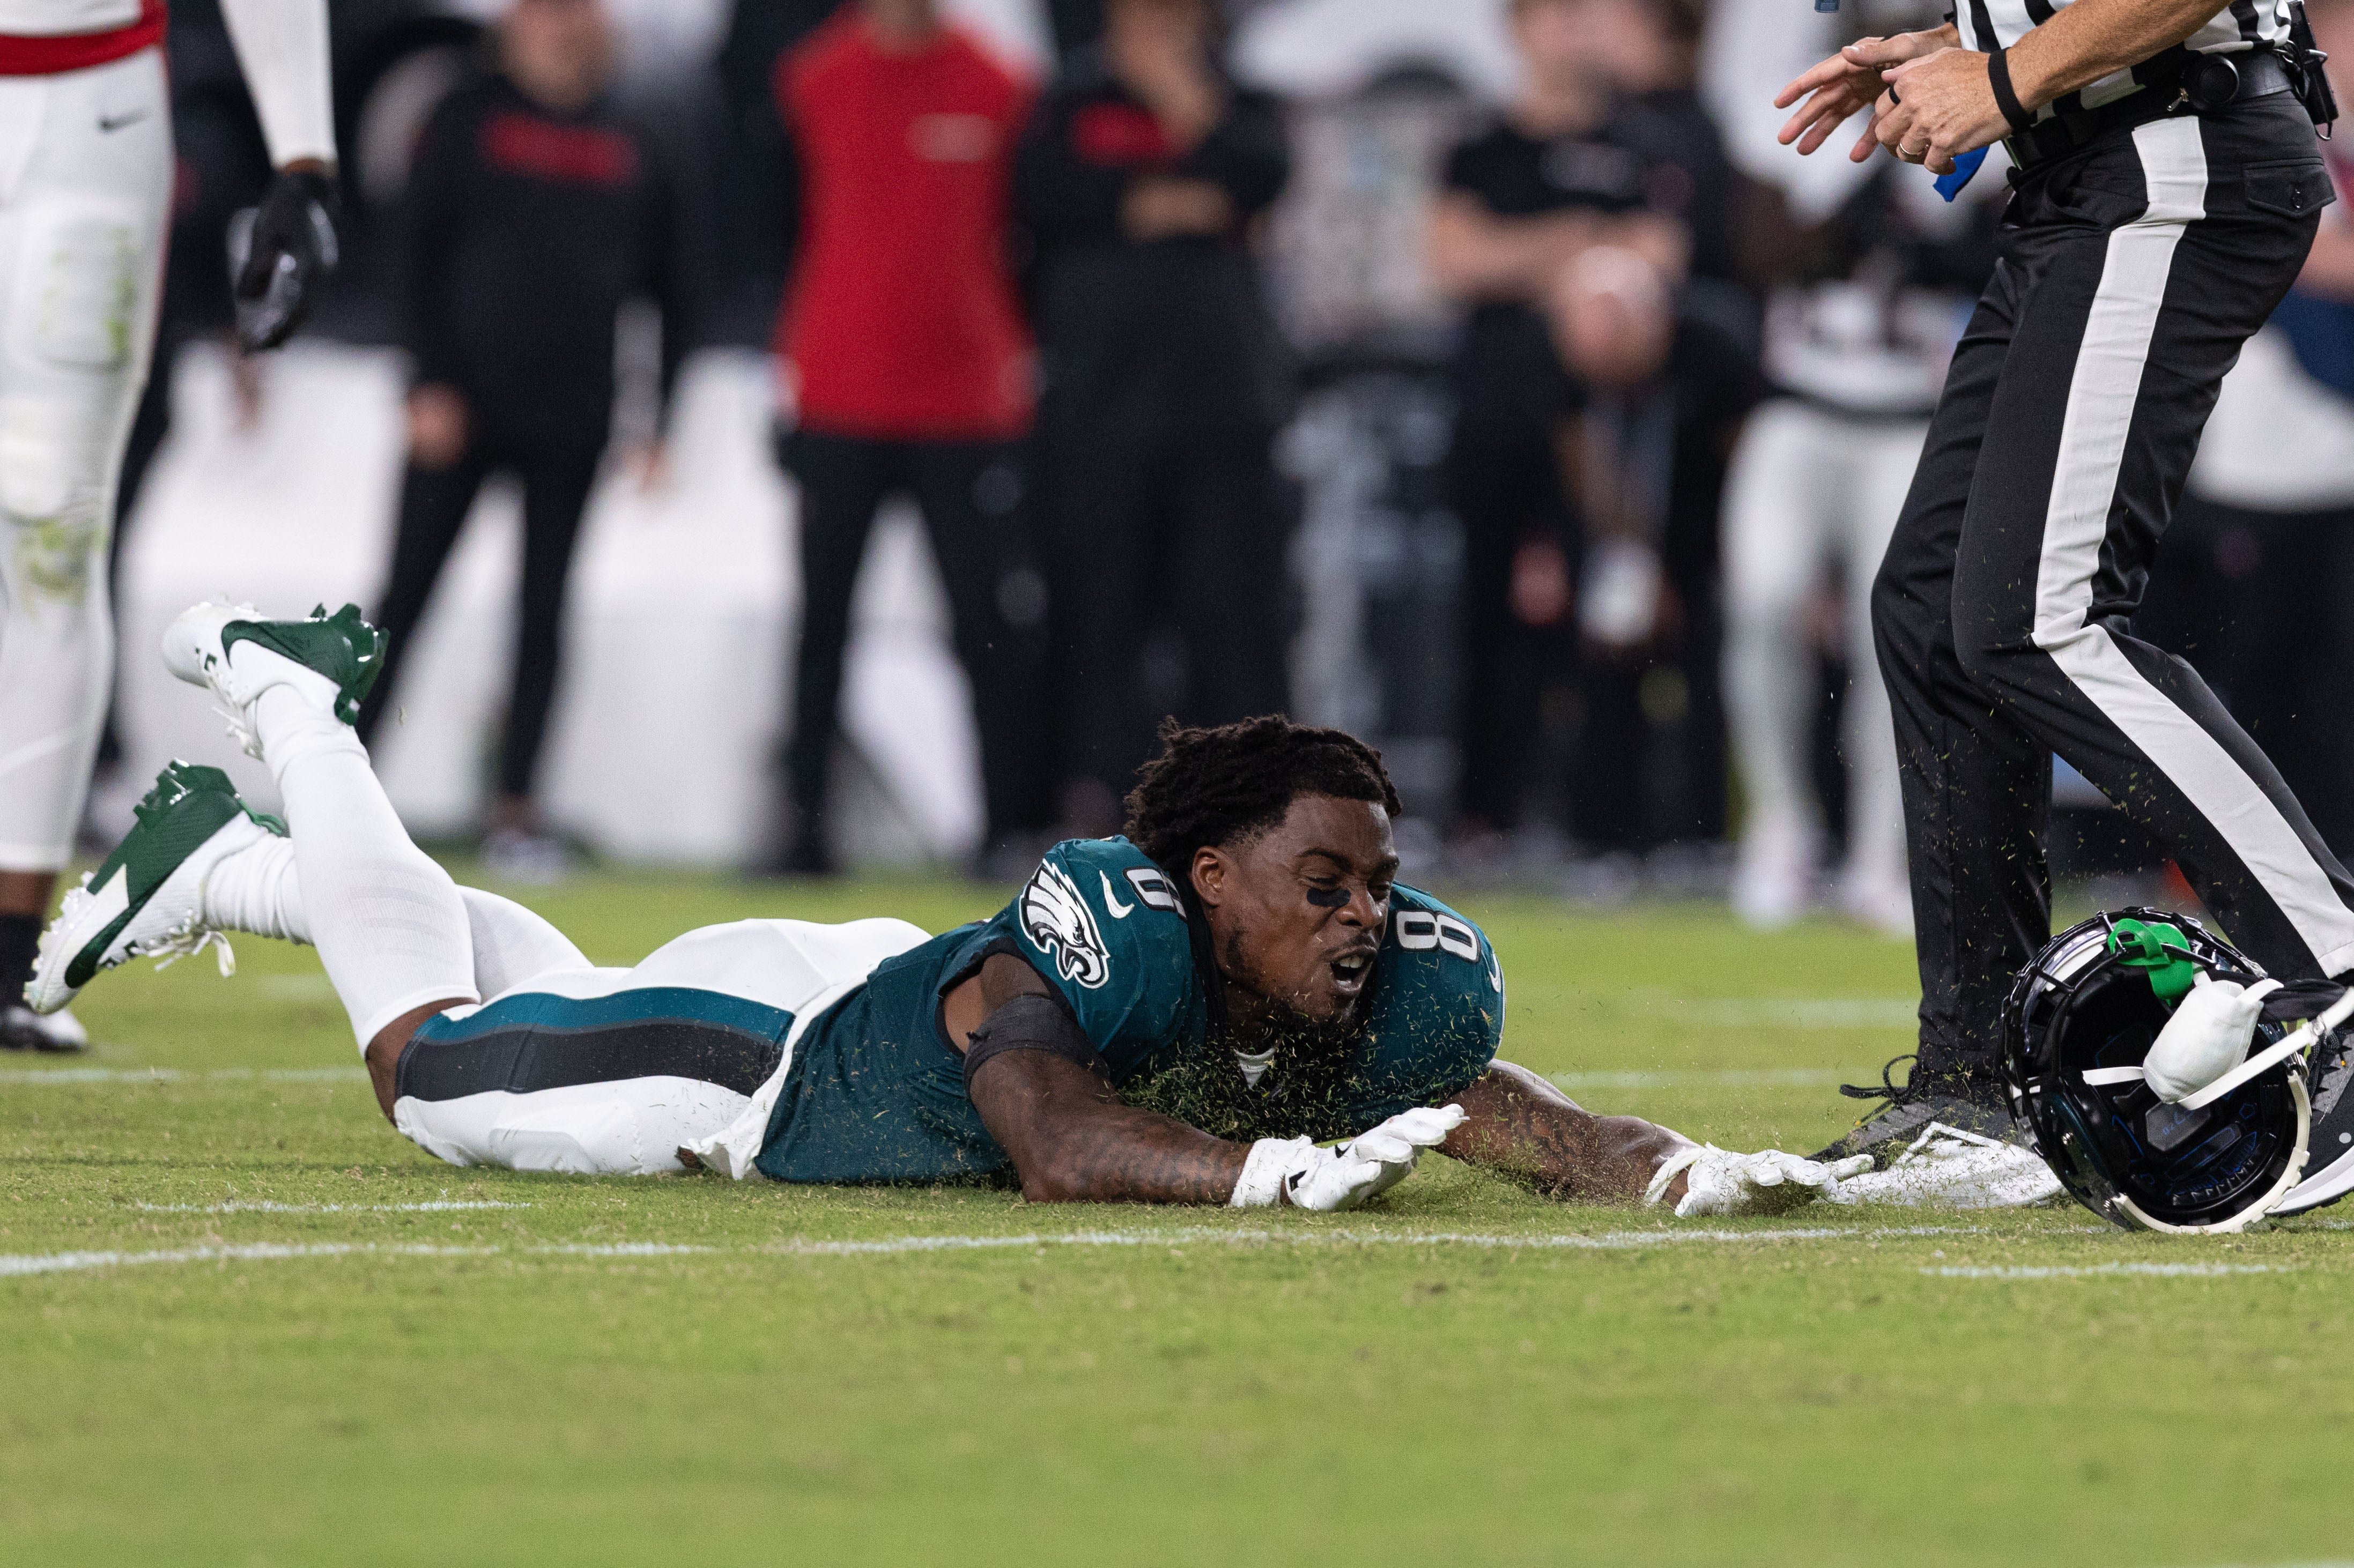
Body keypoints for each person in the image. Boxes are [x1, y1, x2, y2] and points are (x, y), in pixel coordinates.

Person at [26, 599, 2055, 1215]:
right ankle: (297, 712)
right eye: (1324, 880)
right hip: (774, 1066)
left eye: (1383, 880)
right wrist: (1262, 1173)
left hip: (846, 997)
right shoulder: (1110, 915)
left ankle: (232, 863)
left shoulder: (1401, 980)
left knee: (556, 970)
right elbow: (1054, 1131)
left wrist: (1682, 1165)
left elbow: (1494, 1101)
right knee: (438, 1062)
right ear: (1204, 874)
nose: (1370, 917)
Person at [1776, 0, 2354, 1161]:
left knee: (2039, 620)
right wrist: (1967, 42)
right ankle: (1977, 1081)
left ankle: (2334, 965)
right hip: (2093, 173)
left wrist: (1999, 79)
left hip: (2173, 158)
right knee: (1939, 613)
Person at [0, 0, 338, 1053]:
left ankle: (6, 953)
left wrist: (304, 152)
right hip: (88, 120)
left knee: (50, 530)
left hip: (87, 114)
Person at [352, 0, 693, 882]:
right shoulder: (466, 115)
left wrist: (661, 419)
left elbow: (675, 287)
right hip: (460, 406)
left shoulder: (634, 133)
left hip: (571, 413)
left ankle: (516, 809)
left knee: (544, 613)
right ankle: (339, 789)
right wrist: (424, 380)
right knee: (403, 601)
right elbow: (411, 253)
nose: (561, 26)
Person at [1704, 0, 2003, 933]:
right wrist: (1851, 198)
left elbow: (1990, 252)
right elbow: (1756, 244)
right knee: (1760, 598)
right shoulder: (1788, 85)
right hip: (1799, 406)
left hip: (1911, 414)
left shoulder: (1966, 89)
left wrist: (1919, 227)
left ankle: (1880, 851)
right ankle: (1781, 830)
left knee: (1902, 635)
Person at [769, 0, 1045, 876]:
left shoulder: (999, 84)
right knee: (821, 625)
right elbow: (773, 225)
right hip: (840, 393)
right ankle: (802, 830)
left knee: (982, 625)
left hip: (964, 404)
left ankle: (1006, 826)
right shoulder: (814, 79)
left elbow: (1028, 236)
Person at [1012, 0, 1293, 836]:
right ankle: (1107, 811)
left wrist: (1183, 99)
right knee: (1099, 625)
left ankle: (1246, 817)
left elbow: (1261, 175)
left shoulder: (1242, 103)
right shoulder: (1068, 103)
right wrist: (1169, 201)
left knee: (1232, 625)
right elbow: (1046, 198)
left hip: (1223, 411)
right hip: (1098, 411)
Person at [1426, 0, 1692, 850]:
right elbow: (1452, 257)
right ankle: (1483, 815)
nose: (1574, 33)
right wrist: (1577, 245)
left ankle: (1607, 828)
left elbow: (1662, 256)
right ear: (1520, 30)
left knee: (1609, 612)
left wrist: (1526, 253)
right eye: (1555, 15)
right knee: (1485, 615)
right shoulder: (1479, 144)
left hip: (1604, 423)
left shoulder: (1638, 143)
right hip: (1496, 413)